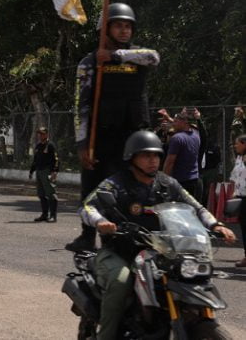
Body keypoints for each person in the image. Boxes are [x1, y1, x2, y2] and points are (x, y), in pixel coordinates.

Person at [80, 130, 235, 340]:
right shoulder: (116, 183)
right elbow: (88, 207)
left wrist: (216, 225)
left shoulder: (168, 184)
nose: (153, 160)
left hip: (163, 251)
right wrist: (101, 222)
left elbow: (196, 208)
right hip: (119, 251)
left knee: (190, 276)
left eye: (156, 155)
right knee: (120, 281)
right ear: (132, 158)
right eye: (146, 155)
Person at [67, 3, 160, 253]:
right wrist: (82, 144)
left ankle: (124, 235)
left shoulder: (138, 56)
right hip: (101, 137)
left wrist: (115, 56)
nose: (123, 31)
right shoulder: (89, 63)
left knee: (127, 189)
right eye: (118, 25)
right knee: (92, 187)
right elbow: (81, 106)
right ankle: (88, 235)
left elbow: (154, 57)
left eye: (127, 26)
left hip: (134, 139)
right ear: (105, 30)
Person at [163, 110, 202, 198]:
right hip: (195, 180)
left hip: (181, 182)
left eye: (176, 121)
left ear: (185, 122)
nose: (173, 123)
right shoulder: (196, 135)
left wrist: (164, 182)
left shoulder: (177, 138)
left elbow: (170, 163)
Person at [28, 127, 58, 222]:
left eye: (42, 133)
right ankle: (44, 214)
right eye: (39, 134)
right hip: (39, 172)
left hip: (47, 171)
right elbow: (35, 160)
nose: (40, 135)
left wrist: (55, 171)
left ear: (46, 134)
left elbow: (56, 159)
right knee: (41, 194)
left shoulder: (50, 145)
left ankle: (53, 216)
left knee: (50, 194)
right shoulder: (38, 146)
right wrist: (31, 171)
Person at [229, 135, 246, 268]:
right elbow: (234, 177)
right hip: (241, 198)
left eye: (237, 144)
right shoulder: (239, 158)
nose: (235, 146)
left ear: (244, 143)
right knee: (244, 229)